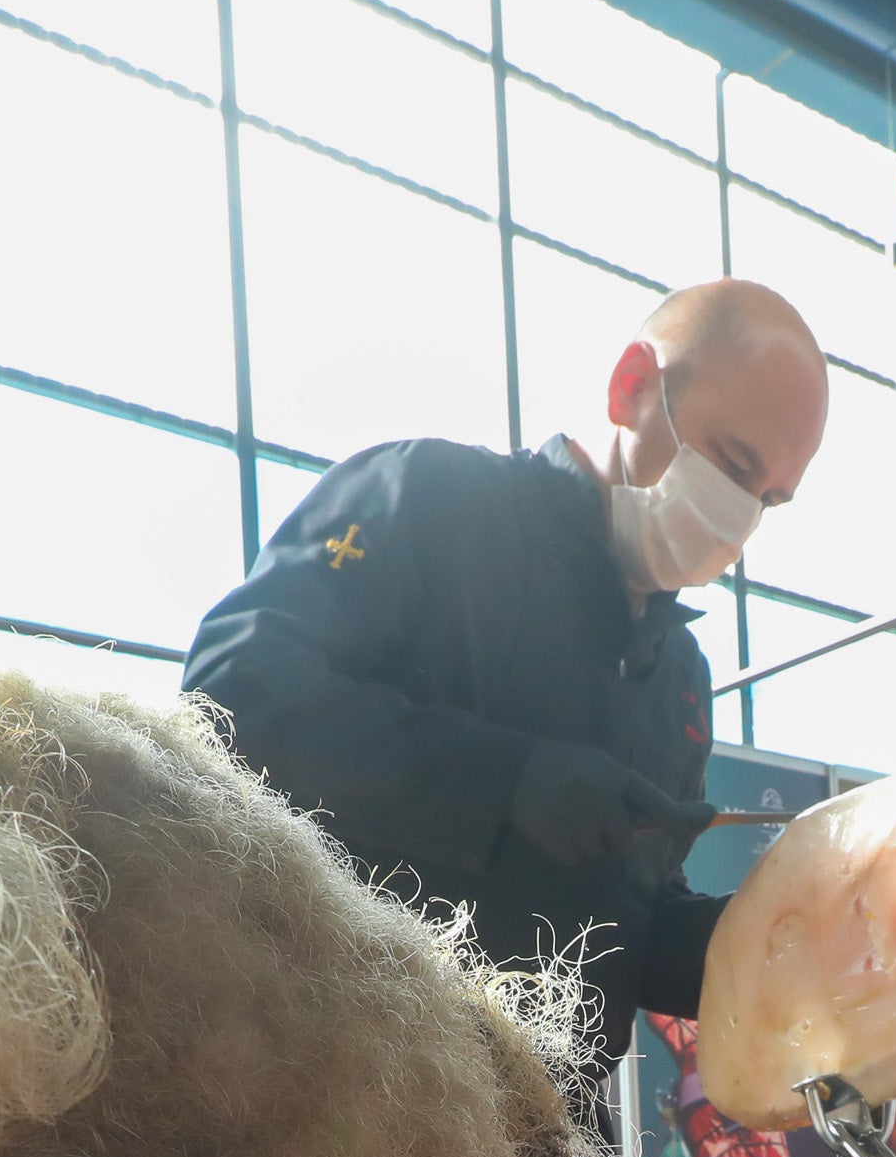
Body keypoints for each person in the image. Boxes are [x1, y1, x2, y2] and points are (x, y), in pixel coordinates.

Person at [182, 279, 828, 1079]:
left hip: (550, 1147)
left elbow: (627, 926)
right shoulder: (431, 501)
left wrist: (745, 942)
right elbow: (232, 694)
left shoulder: (678, 683)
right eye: (733, 466)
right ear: (632, 387)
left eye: (769, 499)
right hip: (337, 1089)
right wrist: (508, 781)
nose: (740, 519)